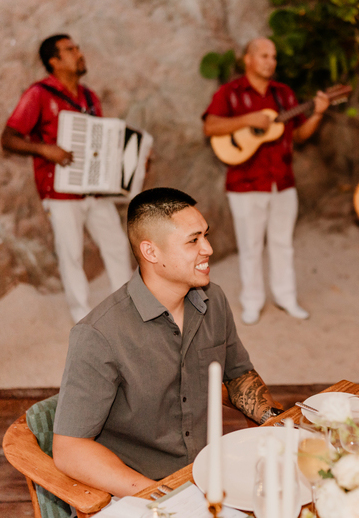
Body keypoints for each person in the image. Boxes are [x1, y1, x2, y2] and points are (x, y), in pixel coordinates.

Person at [52, 187, 282, 497]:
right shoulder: (98, 334)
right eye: (193, 241)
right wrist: (165, 498)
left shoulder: (213, 300)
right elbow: (69, 449)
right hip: (135, 492)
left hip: (206, 473)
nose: (209, 249)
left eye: (205, 235)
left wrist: (275, 421)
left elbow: (238, 374)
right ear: (151, 252)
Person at [1, 34, 133, 322]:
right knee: (71, 255)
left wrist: (130, 159)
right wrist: (44, 149)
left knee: (116, 245)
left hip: (94, 189)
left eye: (78, 48)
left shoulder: (90, 97)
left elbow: (99, 143)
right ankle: (82, 319)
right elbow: (8, 138)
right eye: (70, 50)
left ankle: (128, 313)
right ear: (54, 61)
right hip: (59, 192)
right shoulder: (38, 94)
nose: (79, 53)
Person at [202, 37, 329, 325]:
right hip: (245, 183)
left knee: (283, 243)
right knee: (250, 247)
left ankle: (286, 297)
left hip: (282, 181)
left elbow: (299, 135)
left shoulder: (284, 94)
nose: (270, 61)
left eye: (273, 56)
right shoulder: (230, 92)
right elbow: (210, 126)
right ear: (247, 59)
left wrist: (319, 113)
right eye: (264, 55)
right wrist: (247, 121)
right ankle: (252, 301)